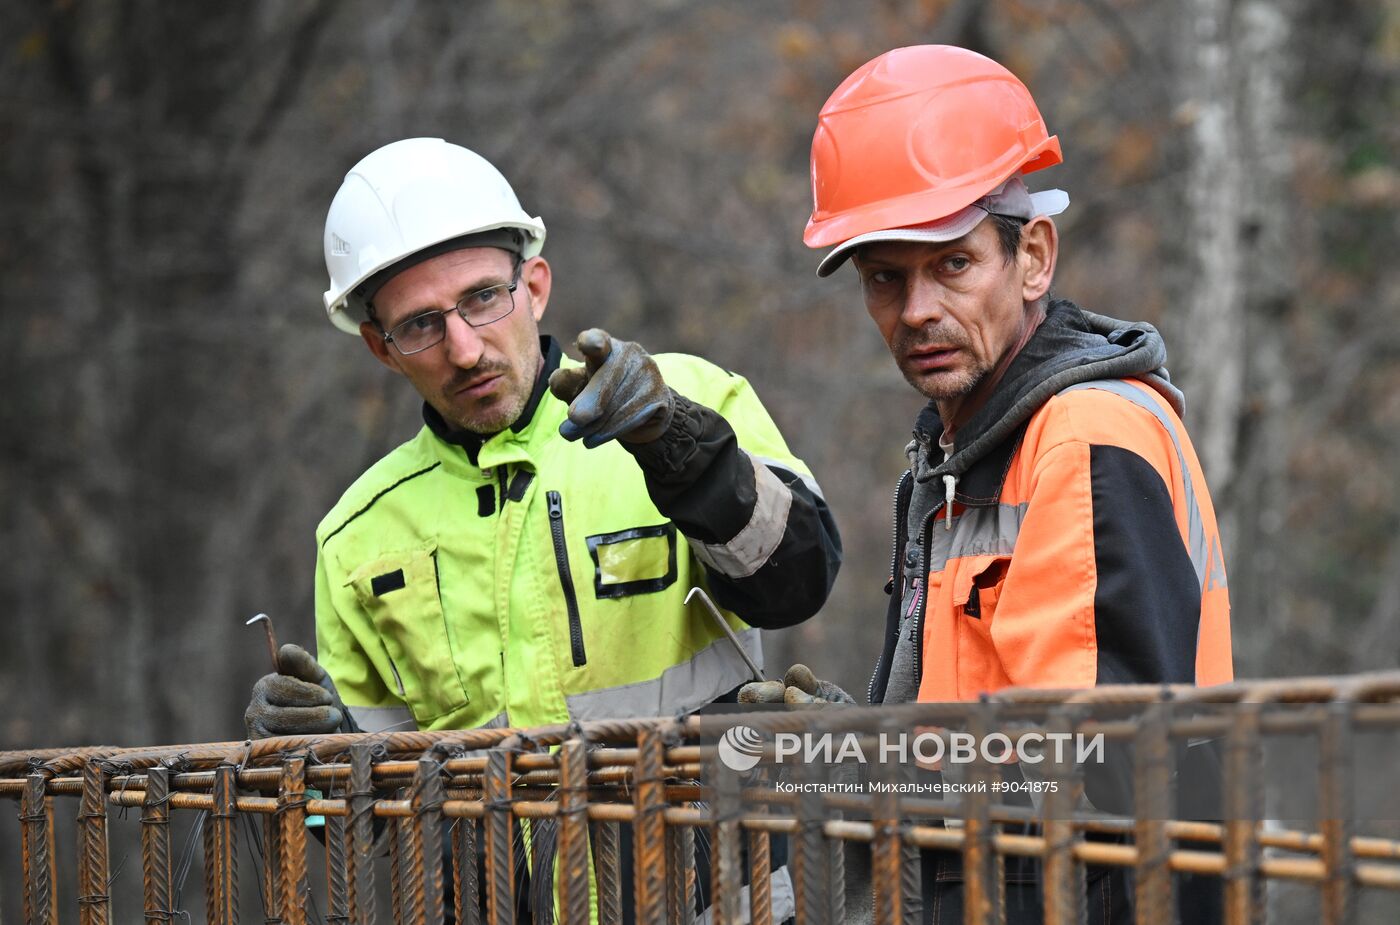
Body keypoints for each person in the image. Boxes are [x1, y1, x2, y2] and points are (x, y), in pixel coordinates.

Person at [796, 45, 1233, 924]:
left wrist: (846, 759)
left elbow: (1090, 768)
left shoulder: (1082, 434)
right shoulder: (966, 446)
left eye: (953, 264)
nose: (916, 310)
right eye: (886, 277)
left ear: (1031, 257)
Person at [243, 136, 839, 739]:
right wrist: (315, 762)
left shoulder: (689, 398)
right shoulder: (356, 537)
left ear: (533, 287)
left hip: (693, 830)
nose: (465, 349)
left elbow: (799, 584)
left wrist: (683, 451)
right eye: (421, 324)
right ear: (381, 349)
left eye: (481, 298)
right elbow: (364, 821)